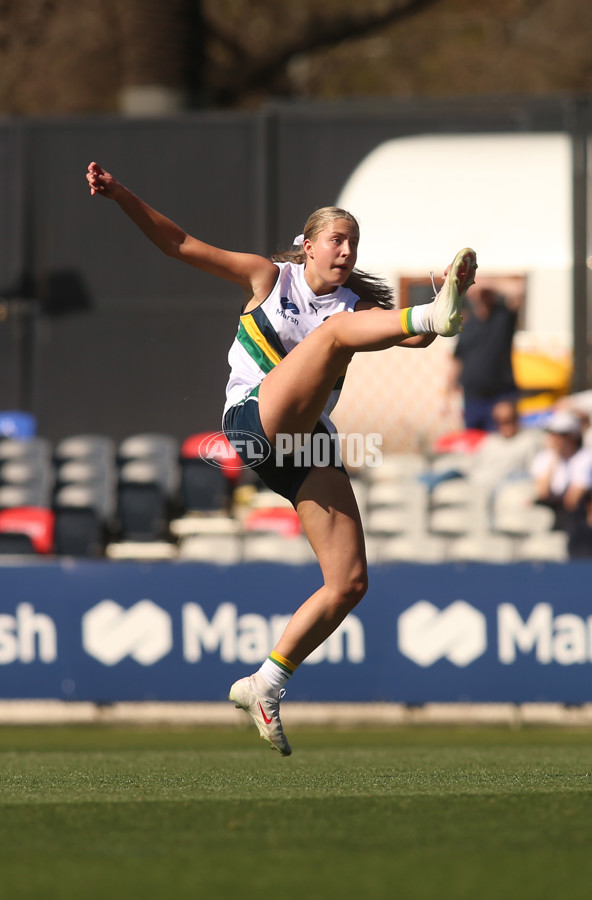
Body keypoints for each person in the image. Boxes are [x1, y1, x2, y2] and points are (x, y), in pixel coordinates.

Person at [85, 161, 477, 755]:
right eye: (337, 240)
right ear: (308, 245)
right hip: (251, 422)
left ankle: (265, 683)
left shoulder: (355, 304)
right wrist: (119, 195)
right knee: (333, 335)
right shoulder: (270, 278)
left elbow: (418, 336)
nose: (346, 251)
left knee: (349, 582)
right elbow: (179, 243)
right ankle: (432, 307)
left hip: (304, 444)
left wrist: (451, 293)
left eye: (354, 243)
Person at [446, 283, 521, 431]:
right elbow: (458, 360)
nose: (480, 298)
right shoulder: (466, 326)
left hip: (500, 397)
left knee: (499, 440)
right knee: (474, 440)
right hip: (473, 398)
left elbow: (518, 291)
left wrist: (488, 284)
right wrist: (447, 394)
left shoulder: (503, 318)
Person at [530, 409, 592, 541]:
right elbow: (542, 492)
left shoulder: (586, 458)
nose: (555, 438)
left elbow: (572, 501)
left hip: (576, 521)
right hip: (552, 517)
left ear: (573, 436)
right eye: (552, 433)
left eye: (561, 434)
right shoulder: (545, 458)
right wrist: (555, 458)